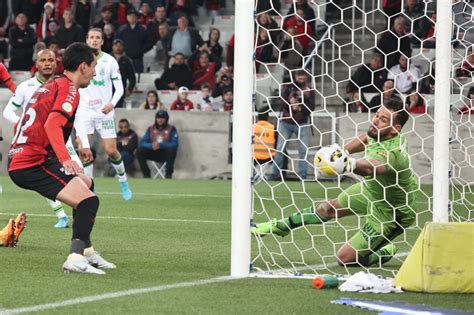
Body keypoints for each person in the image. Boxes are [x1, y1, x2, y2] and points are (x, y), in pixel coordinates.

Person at [253, 99, 418, 267]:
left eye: (383, 120)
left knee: (345, 259)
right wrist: (342, 152)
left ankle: (383, 252)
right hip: (369, 191)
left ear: (396, 129)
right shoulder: (380, 132)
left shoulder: (393, 152)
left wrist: (348, 164)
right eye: (377, 115)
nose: (375, 121)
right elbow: (366, 138)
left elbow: (372, 167)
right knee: (327, 208)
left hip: (390, 212)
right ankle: (281, 226)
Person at [8, 42, 116, 274]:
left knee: (87, 184)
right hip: (31, 162)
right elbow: (52, 124)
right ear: (82, 66)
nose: (95, 72)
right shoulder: (69, 88)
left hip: (27, 156)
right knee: (89, 201)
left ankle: (86, 252)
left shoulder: (52, 84)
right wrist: (65, 157)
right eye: (93, 66)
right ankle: (75, 257)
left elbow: (27, 122)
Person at [3, 49, 81, 228]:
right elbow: (8, 111)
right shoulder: (25, 87)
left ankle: (81, 219)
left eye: (51, 60)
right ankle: (63, 215)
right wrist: (24, 124)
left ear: (56, 63)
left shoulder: (64, 84)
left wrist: (81, 139)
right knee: (44, 175)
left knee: (80, 174)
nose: (47, 63)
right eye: (43, 60)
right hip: (35, 142)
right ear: (36, 64)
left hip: (61, 138)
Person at [75, 28, 132, 201]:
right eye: (91, 37)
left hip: (104, 112)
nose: (94, 40)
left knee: (111, 150)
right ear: (86, 40)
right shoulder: (79, 61)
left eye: (97, 38)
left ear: (102, 41)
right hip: (84, 112)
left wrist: (111, 104)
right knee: (84, 151)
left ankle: (123, 180)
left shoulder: (109, 61)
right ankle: (89, 189)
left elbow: (120, 87)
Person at [270, 70, 315, 180]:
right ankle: (275, 174)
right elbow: (282, 103)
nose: (302, 81)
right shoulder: (288, 88)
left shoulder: (309, 90)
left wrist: (300, 106)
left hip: (302, 123)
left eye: (304, 79)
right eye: (300, 79)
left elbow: (311, 108)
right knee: (280, 149)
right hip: (286, 122)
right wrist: (291, 103)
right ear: (295, 77)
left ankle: (302, 175)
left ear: (307, 78)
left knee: (303, 150)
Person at [138, 110, 179, 178]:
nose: (160, 120)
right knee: (140, 150)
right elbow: (142, 142)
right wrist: (151, 145)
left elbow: (175, 144)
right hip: (153, 152)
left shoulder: (171, 129)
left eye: (163, 118)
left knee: (172, 150)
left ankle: (168, 175)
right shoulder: (151, 129)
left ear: (166, 119)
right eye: (158, 118)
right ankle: (146, 174)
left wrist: (161, 145)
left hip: (165, 154)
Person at [112, 39, 136, 107]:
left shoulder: (127, 60)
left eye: (120, 46)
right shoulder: (107, 58)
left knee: (118, 108)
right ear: (112, 47)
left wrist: (130, 89)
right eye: (116, 45)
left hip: (120, 88)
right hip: (107, 88)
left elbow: (132, 77)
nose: (118, 47)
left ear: (123, 47)